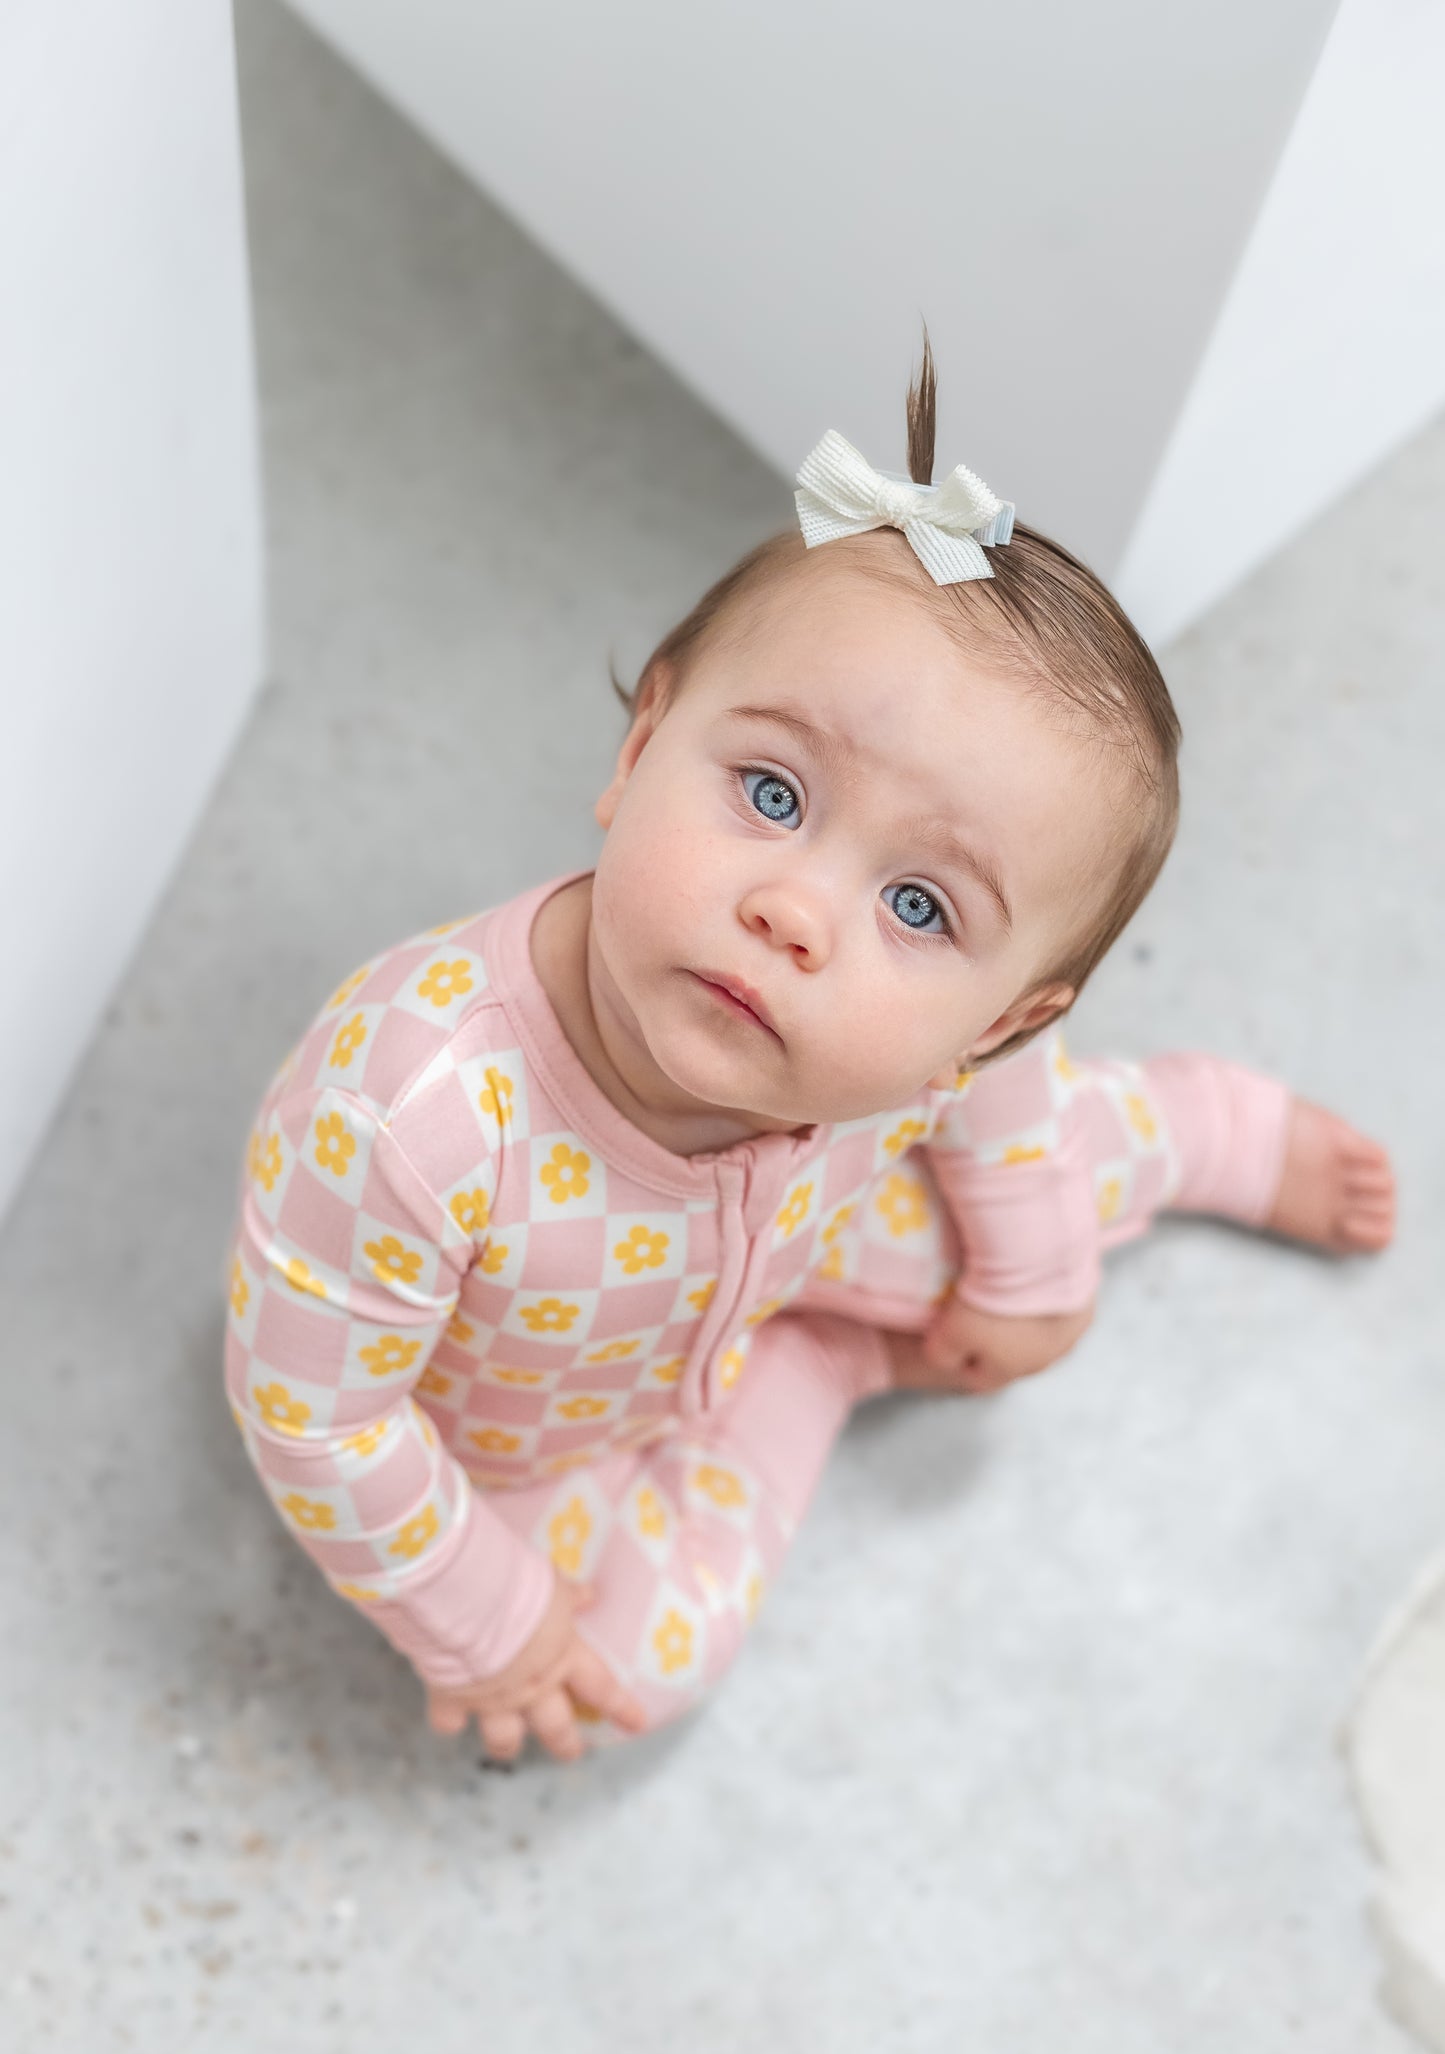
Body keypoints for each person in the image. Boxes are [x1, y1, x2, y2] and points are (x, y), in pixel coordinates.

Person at [221, 350, 1394, 1763]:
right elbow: (318, 1419)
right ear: (641, 743)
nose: (793, 913)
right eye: (769, 793)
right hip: (537, 1416)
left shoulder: (922, 1058)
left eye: (918, 907)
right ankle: (817, 1374)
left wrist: (1029, 1266)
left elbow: (1005, 1096)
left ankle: (1206, 1134)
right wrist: (484, 1610)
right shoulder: (412, 1118)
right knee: (620, 1668)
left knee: (1025, 1182)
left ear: (1003, 1012)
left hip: (811, 1219)